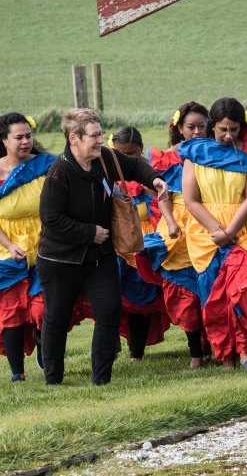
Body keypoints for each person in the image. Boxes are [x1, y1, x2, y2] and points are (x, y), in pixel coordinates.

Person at [38, 109, 167, 385]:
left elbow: (134, 167)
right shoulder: (58, 173)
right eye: (94, 135)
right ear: (74, 139)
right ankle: (53, 379)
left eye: (100, 133)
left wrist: (154, 179)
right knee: (57, 318)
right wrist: (89, 232)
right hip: (60, 260)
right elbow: (50, 218)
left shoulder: (106, 158)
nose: (100, 140)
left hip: (101, 256)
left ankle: (102, 379)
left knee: (109, 311)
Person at [181, 98, 247, 369]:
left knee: (245, 285)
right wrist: (216, 230)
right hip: (207, 231)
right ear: (212, 126)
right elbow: (190, 199)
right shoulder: (195, 152)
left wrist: (231, 232)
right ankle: (228, 356)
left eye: (234, 130)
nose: (228, 135)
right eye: (223, 129)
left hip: (245, 228)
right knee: (217, 294)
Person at [145, 102, 209, 369]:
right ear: (179, 129)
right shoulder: (167, 158)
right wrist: (170, 222)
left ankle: (215, 346)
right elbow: (164, 197)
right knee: (185, 295)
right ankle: (195, 351)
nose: (196, 132)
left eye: (201, 126)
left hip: (209, 221)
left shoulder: (215, 154)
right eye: (190, 127)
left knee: (209, 287)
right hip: (179, 227)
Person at [109, 127, 172, 363]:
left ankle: (136, 352)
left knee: (140, 298)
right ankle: (110, 338)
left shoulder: (153, 173)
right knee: (111, 294)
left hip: (146, 241)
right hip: (117, 242)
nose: (127, 160)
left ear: (141, 147)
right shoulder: (108, 172)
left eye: (133, 154)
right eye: (120, 155)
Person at [0, 113, 54, 382]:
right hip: (7, 248)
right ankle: (16, 373)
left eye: (28, 136)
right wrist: (9, 245)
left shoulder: (47, 165)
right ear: (4, 140)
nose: (25, 142)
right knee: (11, 312)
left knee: (43, 308)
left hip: (46, 244)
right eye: (18, 137)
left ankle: (45, 345)